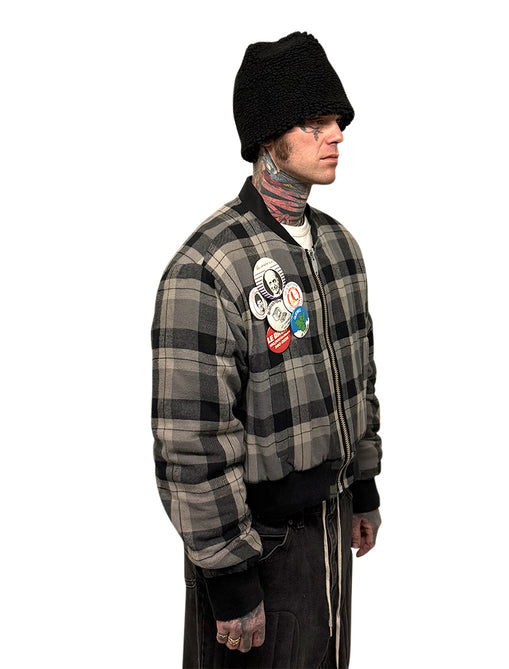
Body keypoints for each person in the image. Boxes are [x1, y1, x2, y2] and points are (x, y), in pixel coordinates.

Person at [152, 31, 382, 669]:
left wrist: (362, 487)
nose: (337, 135)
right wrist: (229, 576)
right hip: (259, 545)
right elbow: (191, 436)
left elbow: (359, 378)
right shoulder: (208, 266)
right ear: (267, 136)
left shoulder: (340, 248)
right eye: (316, 123)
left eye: (338, 121)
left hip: (331, 526)